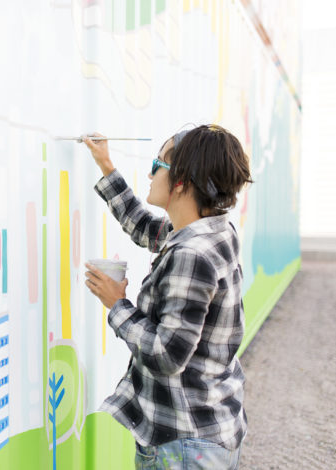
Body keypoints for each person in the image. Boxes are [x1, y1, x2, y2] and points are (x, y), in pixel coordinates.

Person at [83, 125, 253, 470]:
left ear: (183, 181)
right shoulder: (212, 231)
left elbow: (166, 355)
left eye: (157, 164)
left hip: (184, 446)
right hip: (206, 431)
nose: (150, 172)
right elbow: (145, 227)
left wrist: (117, 305)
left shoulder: (192, 254)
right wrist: (105, 164)